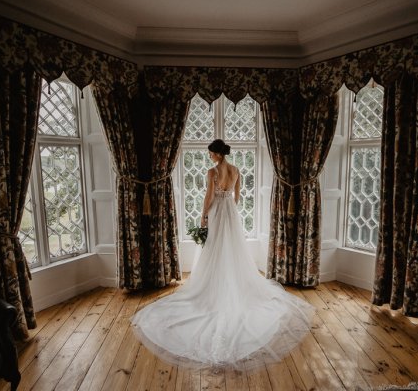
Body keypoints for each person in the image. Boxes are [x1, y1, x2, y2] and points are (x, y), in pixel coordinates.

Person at [130, 139, 314, 371]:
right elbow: (237, 197)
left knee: (215, 248)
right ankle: (233, 282)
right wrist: (228, 206)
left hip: (217, 209)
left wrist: (203, 215)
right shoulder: (236, 170)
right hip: (231, 212)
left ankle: (213, 285)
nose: (209, 156)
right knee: (232, 248)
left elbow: (209, 196)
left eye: (210, 153)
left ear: (217, 153)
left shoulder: (213, 172)